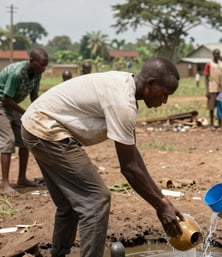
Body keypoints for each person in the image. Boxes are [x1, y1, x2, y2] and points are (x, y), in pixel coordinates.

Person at [21, 57, 184, 257]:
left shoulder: (125, 87)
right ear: (150, 84)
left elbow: (133, 158)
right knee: (97, 199)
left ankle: (59, 254)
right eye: (165, 94)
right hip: (46, 130)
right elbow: (129, 169)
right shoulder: (123, 103)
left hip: (36, 125)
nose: (165, 100)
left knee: (69, 203)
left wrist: (163, 200)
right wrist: (159, 207)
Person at [0, 47, 49, 196]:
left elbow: (34, 95)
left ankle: (21, 179)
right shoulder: (16, 73)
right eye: (41, 65)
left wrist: (41, 111)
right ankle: (5, 185)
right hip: (2, 105)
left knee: (24, 139)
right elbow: (6, 98)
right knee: (8, 140)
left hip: (12, 104)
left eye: (45, 65)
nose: (43, 68)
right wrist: (25, 112)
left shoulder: (36, 74)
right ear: (32, 61)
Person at [204, 48, 222, 127]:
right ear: (213, 54)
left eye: (218, 54)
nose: (217, 55)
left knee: (220, 106)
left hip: (221, 88)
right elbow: (206, 77)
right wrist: (207, 90)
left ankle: (220, 123)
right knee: (211, 107)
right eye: (216, 54)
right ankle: (212, 123)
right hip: (212, 88)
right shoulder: (209, 64)